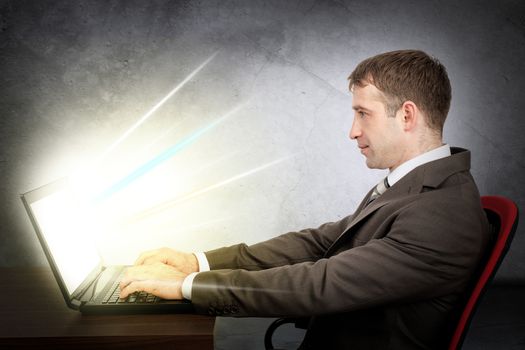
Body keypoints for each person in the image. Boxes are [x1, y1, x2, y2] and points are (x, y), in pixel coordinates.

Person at [120, 50, 490, 349]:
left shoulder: (442, 212)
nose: (353, 131)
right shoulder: (412, 188)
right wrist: (195, 262)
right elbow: (317, 244)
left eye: (363, 114)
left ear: (407, 115)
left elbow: (319, 284)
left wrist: (186, 286)